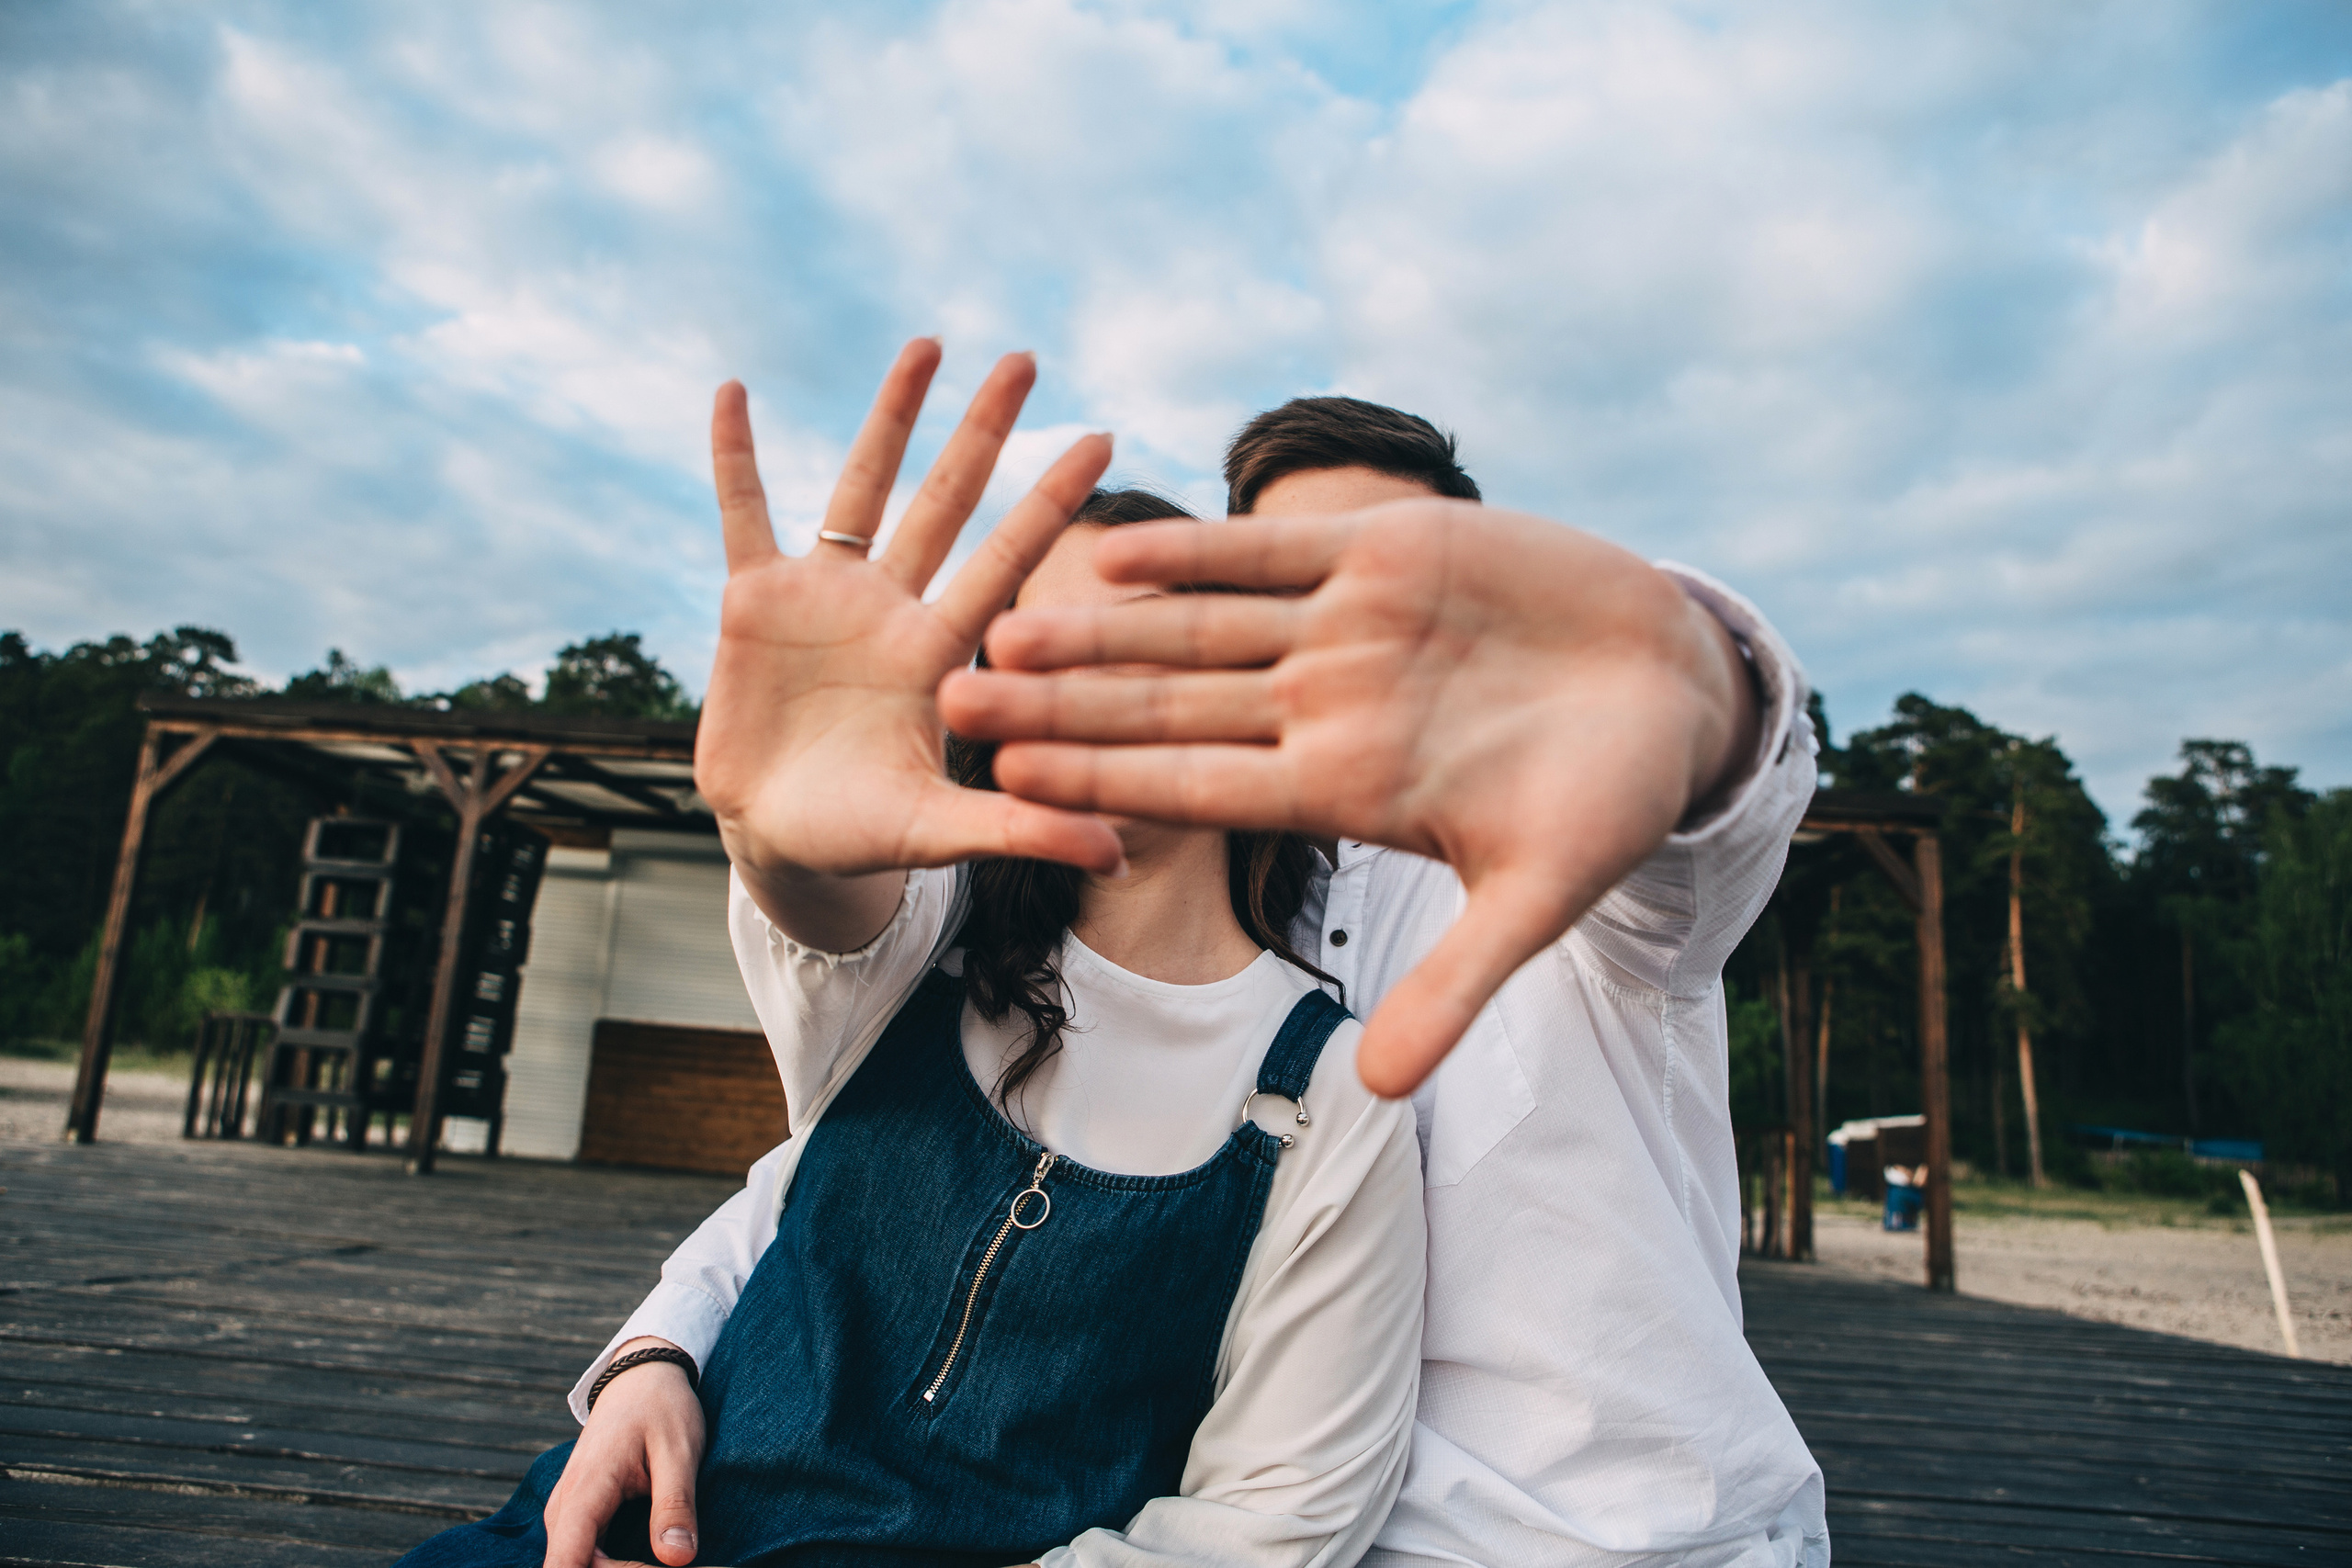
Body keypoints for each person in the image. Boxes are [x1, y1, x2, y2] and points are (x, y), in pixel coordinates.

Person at [575, 348, 1831, 1564]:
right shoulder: (1130, 907)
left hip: (1618, 1543)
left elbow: (1707, 798)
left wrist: (1681, 683)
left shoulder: (1592, 866)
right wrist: (658, 1343)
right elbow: (850, 1158)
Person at [400, 346, 1427, 1568]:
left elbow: (1273, 1527)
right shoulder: (926, 932)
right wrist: (767, 822)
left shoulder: (1332, 1091)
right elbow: (819, 894)